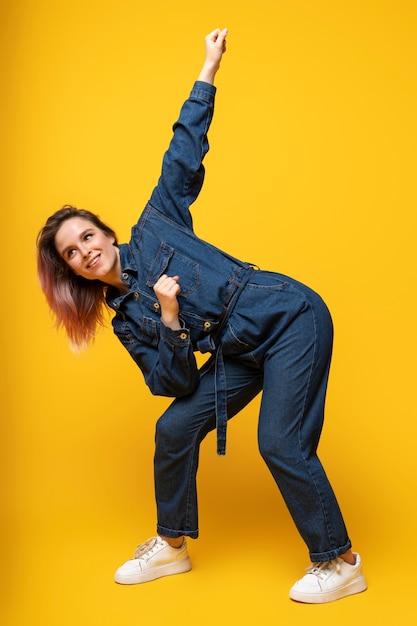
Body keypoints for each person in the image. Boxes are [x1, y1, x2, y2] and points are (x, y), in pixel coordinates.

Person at [36, 28, 367, 603]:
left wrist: (207, 70)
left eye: (87, 235)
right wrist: (167, 319)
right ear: (75, 272)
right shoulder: (124, 321)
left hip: (286, 317)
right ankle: (172, 547)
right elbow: (175, 385)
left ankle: (339, 562)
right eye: (72, 252)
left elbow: (183, 152)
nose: (86, 250)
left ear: (108, 233)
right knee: (173, 427)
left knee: (280, 443)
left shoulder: (159, 223)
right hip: (240, 351)